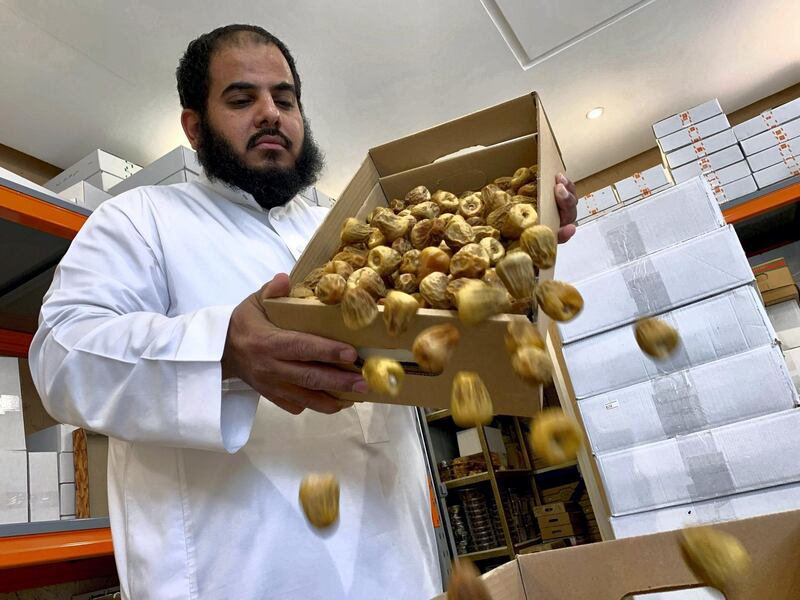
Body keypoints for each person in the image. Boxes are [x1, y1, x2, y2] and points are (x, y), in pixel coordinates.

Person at [29, 24, 579, 600]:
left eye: (284, 99)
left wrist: (522, 247)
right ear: (194, 126)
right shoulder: (139, 219)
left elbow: (440, 328)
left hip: (396, 565)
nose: (270, 113)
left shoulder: (341, 230)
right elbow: (61, 358)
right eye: (242, 99)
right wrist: (224, 350)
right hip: (239, 577)